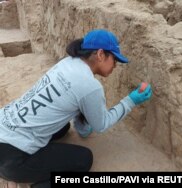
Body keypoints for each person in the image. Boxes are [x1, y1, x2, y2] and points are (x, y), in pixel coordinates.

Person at [0, 29, 152, 188]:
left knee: (63, 127)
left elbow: (75, 105)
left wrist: (82, 124)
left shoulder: (67, 63)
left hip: (3, 126)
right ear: (101, 54)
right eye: (114, 59)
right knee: (84, 160)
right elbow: (101, 125)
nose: (115, 65)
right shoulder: (90, 86)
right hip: (12, 159)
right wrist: (130, 101)